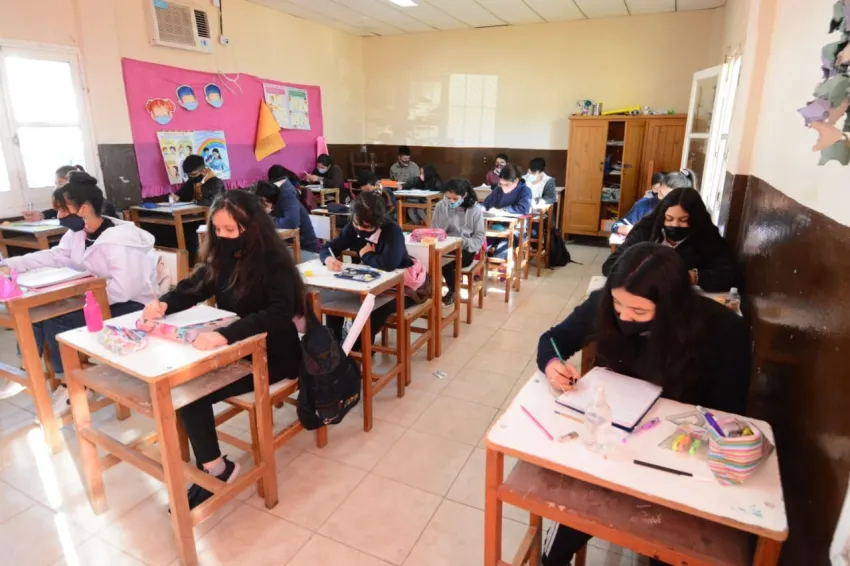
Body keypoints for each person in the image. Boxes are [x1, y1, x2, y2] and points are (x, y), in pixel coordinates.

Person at [537, 243, 751, 566]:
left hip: (677, 460)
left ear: (670, 307)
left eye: (639, 313)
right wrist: (553, 364)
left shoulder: (721, 330)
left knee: (667, 549)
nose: (624, 317)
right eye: (618, 305)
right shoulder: (604, 304)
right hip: (613, 446)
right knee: (557, 545)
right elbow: (552, 340)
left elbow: (728, 417)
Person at [142, 190, 305, 509]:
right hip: (238, 349)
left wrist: (225, 335)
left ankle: (217, 470)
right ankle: (214, 463)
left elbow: (279, 312)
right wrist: (164, 304)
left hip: (274, 354)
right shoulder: (222, 257)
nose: (223, 236)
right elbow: (193, 288)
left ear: (253, 225)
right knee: (183, 388)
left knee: (191, 394)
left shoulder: (275, 261)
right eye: (217, 229)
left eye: (230, 229)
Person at [0, 173, 157, 406]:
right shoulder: (79, 233)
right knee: (35, 314)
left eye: (62, 210)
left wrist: (80, 300)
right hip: (97, 298)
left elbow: (124, 290)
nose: (59, 216)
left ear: (83, 209)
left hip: (132, 305)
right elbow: (56, 256)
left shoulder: (120, 240)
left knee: (57, 319)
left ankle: (73, 386)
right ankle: (26, 370)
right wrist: (10, 264)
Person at [319, 192, 414, 350]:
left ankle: (358, 349)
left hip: (400, 289)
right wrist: (328, 259)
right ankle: (335, 348)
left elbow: (389, 264)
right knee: (335, 301)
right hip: (368, 286)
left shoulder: (392, 231)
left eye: (367, 227)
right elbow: (327, 248)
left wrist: (366, 255)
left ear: (379, 222)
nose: (360, 229)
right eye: (357, 224)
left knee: (374, 309)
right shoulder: (353, 228)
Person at [602, 187, 741, 292]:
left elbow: (729, 275)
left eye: (683, 220)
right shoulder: (645, 233)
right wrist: (640, 272)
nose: (675, 224)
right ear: (661, 216)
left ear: (696, 219)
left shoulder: (707, 238)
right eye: (669, 219)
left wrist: (692, 277)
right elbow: (610, 266)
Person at [432, 178, 485, 306]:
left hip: (465, 248)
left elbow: (479, 237)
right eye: (448, 198)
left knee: (444, 262)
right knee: (433, 259)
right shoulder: (440, 206)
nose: (451, 201)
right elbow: (433, 230)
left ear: (464, 195)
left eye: (455, 199)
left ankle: (453, 291)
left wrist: (463, 242)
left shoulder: (475, 210)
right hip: (444, 246)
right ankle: (432, 294)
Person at [611, 169, 697, 236]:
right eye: (660, 193)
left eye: (667, 198)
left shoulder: (691, 214)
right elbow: (616, 225)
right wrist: (622, 228)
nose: (661, 199)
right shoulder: (644, 205)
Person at [255, 180, 320, 262]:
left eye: (264, 203)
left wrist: (267, 220)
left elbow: (292, 223)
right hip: (287, 246)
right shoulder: (272, 198)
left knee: (266, 257)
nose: (262, 206)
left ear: (266, 199)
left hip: (305, 248)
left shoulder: (287, 196)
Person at [22, 166, 118, 221]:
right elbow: (58, 210)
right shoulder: (72, 202)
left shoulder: (100, 204)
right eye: (56, 184)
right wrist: (40, 215)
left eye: (60, 184)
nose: (57, 188)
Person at [483, 164, 532, 259]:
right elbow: (487, 203)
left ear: (516, 181)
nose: (503, 187)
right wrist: (480, 208)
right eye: (501, 184)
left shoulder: (525, 191)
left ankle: (500, 267)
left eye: (507, 185)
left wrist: (504, 209)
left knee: (501, 251)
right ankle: (481, 265)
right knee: (481, 244)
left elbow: (524, 209)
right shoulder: (498, 190)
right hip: (496, 227)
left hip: (517, 230)